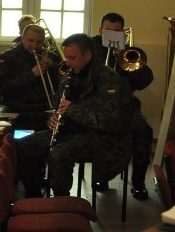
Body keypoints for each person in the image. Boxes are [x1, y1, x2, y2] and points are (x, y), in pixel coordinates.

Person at [15, 33, 132, 197]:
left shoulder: (107, 79)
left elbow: (109, 120)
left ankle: (61, 202)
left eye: (72, 58)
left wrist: (72, 110)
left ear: (88, 55)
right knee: (24, 145)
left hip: (100, 138)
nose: (68, 63)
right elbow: (57, 105)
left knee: (58, 155)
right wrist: (54, 118)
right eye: (67, 58)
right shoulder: (71, 75)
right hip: (70, 132)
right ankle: (33, 196)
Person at [92, 12, 154, 199]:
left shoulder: (130, 52)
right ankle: (101, 177)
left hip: (126, 107)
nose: (111, 35)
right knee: (99, 134)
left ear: (122, 33)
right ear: (101, 30)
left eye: (116, 32)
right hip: (98, 106)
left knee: (144, 131)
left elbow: (144, 81)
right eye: (108, 31)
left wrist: (121, 57)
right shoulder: (90, 48)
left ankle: (138, 182)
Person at [0, 23, 63, 131]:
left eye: (39, 42)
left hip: (44, 108)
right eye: (30, 40)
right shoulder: (8, 57)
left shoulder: (51, 56)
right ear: (22, 37)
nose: (35, 45)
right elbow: (2, 89)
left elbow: (62, 85)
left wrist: (53, 66)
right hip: (18, 108)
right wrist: (32, 74)